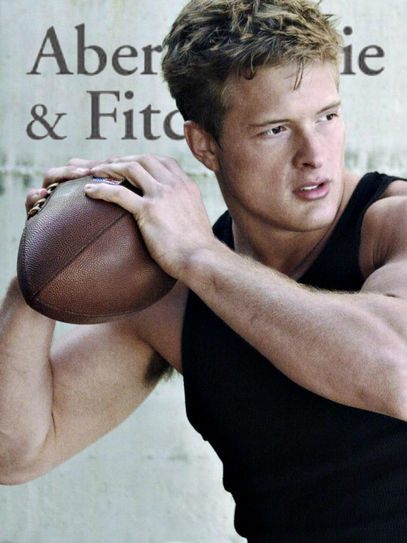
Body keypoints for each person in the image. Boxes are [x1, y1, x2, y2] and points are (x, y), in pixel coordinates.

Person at [1, 0, 407, 540]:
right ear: (205, 145)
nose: (314, 153)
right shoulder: (172, 295)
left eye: (327, 116)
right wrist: (40, 273)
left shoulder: (392, 224)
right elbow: (16, 453)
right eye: (275, 130)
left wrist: (199, 255)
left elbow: (399, 373)